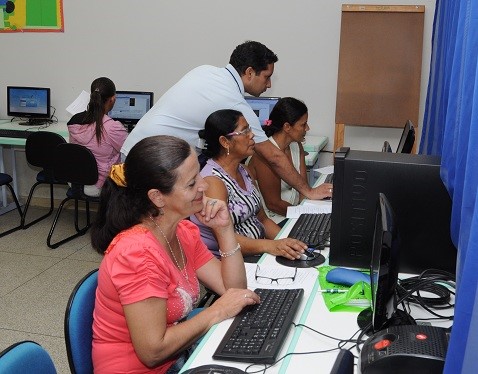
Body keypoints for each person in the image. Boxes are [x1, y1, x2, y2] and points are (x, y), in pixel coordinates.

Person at [90, 135, 260, 373]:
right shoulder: (136, 254)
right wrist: (217, 310)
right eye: (192, 184)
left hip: (176, 356)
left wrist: (224, 229)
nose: (204, 186)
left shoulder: (182, 231)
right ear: (157, 197)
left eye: (199, 174)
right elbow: (152, 352)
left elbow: (234, 290)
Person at [121, 40, 329, 201]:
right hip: (152, 160)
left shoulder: (205, 71)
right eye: (266, 76)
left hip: (136, 149)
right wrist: (308, 191)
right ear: (249, 73)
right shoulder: (231, 98)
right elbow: (272, 155)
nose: (268, 84)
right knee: (151, 228)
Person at [190, 109, 308, 261]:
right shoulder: (213, 182)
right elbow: (225, 240)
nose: (251, 135)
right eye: (244, 131)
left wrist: (289, 242)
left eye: (250, 129)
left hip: (257, 251)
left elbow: (263, 220)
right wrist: (271, 246)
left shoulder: (244, 170)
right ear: (225, 142)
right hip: (231, 260)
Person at [248, 97, 333, 224]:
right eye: (303, 124)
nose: (307, 128)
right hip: (274, 220)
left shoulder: (296, 145)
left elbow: (304, 190)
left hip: (293, 212)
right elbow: (273, 204)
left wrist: (314, 208)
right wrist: (304, 216)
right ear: (287, 127)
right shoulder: (263, 155)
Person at [67, 77, 127, 197]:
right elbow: (129, 149)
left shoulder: (74, 121)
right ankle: (121, 214)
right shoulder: (112, 127)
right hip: (99, 185)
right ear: (112, 99)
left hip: (74, 181)